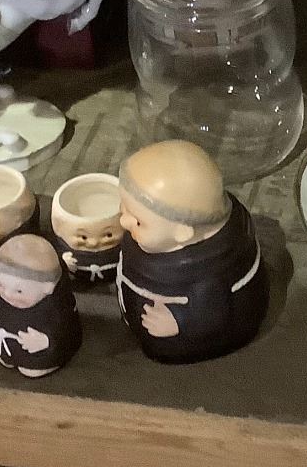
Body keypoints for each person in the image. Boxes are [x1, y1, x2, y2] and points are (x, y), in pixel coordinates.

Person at [115, 141, 268, 364]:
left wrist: (178, 321)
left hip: (185, 346)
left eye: (138, 221)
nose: (123, 221)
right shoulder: (154, 237)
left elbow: (212, 316)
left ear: (182, 233)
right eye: (123, 207)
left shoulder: (210, 270)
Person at [0, 235, 81, 378]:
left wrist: (46, 341)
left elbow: (65, 329)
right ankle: (9, 356)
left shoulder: (54, 308)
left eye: (19, 291)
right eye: (0, 284)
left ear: (48, 288)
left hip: (38, 356)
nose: (7, 294)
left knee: (33, 367)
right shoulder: (3, 297)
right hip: (6, 346)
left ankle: (40, 364)